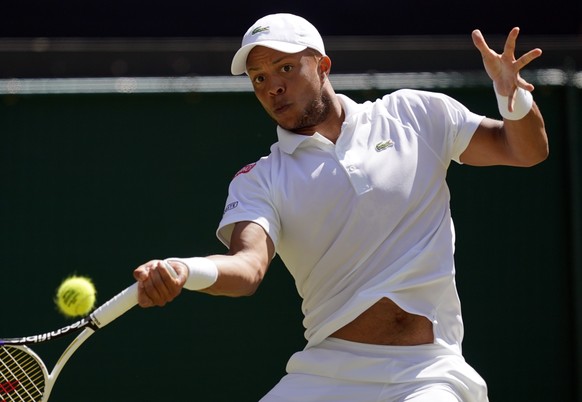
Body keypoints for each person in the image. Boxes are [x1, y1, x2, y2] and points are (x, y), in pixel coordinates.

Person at [133, 13, 548, 401]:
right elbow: (246, 269)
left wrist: (514, 100)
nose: (272, 86)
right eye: (259, 78)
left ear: (322, 65)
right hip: (324, 376)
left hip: (428, 373)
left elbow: (525, 150)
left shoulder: (415, 114)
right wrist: (184, 270)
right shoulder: (260, 179)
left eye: (285, 68)